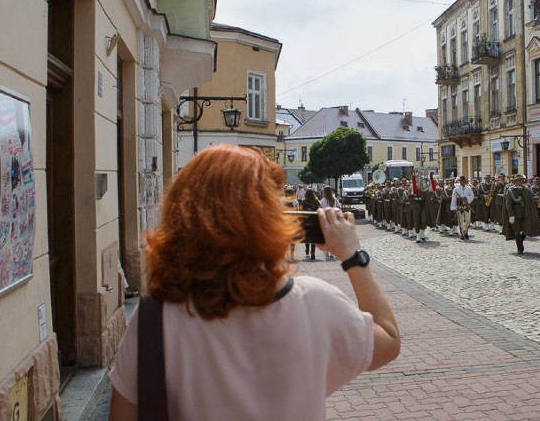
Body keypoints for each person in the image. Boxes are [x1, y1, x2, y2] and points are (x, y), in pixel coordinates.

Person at [107, 144, 400, 421]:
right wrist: (352, 255)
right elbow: (388, 340)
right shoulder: (316, 302)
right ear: (269, 218)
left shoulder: (153, 318)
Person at [502, 174, 540, 254]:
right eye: (519, 180)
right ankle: (520, 248)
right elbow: (508, 204)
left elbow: (530, 201)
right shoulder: (510, 190)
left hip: (525, 213)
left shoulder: (526, 190)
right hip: (515, 213)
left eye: (522, 180)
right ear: (515, 181)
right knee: (517, 230)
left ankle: (520, 240)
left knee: (526, 230)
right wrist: (511, 215)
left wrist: (531, 212)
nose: (521, 181)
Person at [450, 175, 475, 240]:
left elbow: (472, 196)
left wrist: (467, 198)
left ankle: (465, 231)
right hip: (459, 206)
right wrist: (453, 208)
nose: (462, 182)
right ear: (460, 181)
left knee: (468, 220)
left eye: (464, 181)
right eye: (461, 181)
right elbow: (454, 198)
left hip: (467, 206)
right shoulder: (456, 189)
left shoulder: (468, 188)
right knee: (460, 221)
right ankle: (462, 234)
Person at [320, 186, 340, 259]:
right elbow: (338, 207)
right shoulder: (334, 199)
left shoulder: (323, 200)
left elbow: (320, 208)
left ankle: (328, 250)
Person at [301, 189, 321, 259]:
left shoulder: (303, 201)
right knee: (313, 237)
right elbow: (319, 209)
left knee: (307, 236)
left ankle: (307, 250)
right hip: (314, 221)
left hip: (306, 221)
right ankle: (313, 252)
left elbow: (301, 210)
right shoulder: (316, 201)